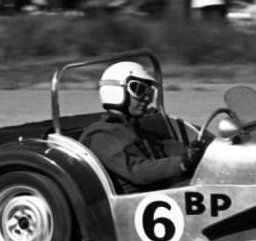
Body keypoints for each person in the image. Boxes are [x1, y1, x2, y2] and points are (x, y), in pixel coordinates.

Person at [80, 61, 205, 193]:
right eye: (138, 89)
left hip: (161, 192)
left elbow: (166, 146)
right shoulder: (102, 136)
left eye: (149, 93)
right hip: (138, 201)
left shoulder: (135, 128)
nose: (147, 99)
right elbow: (137, 171)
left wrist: (201, 153)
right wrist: (182, 164)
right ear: (116, 90)